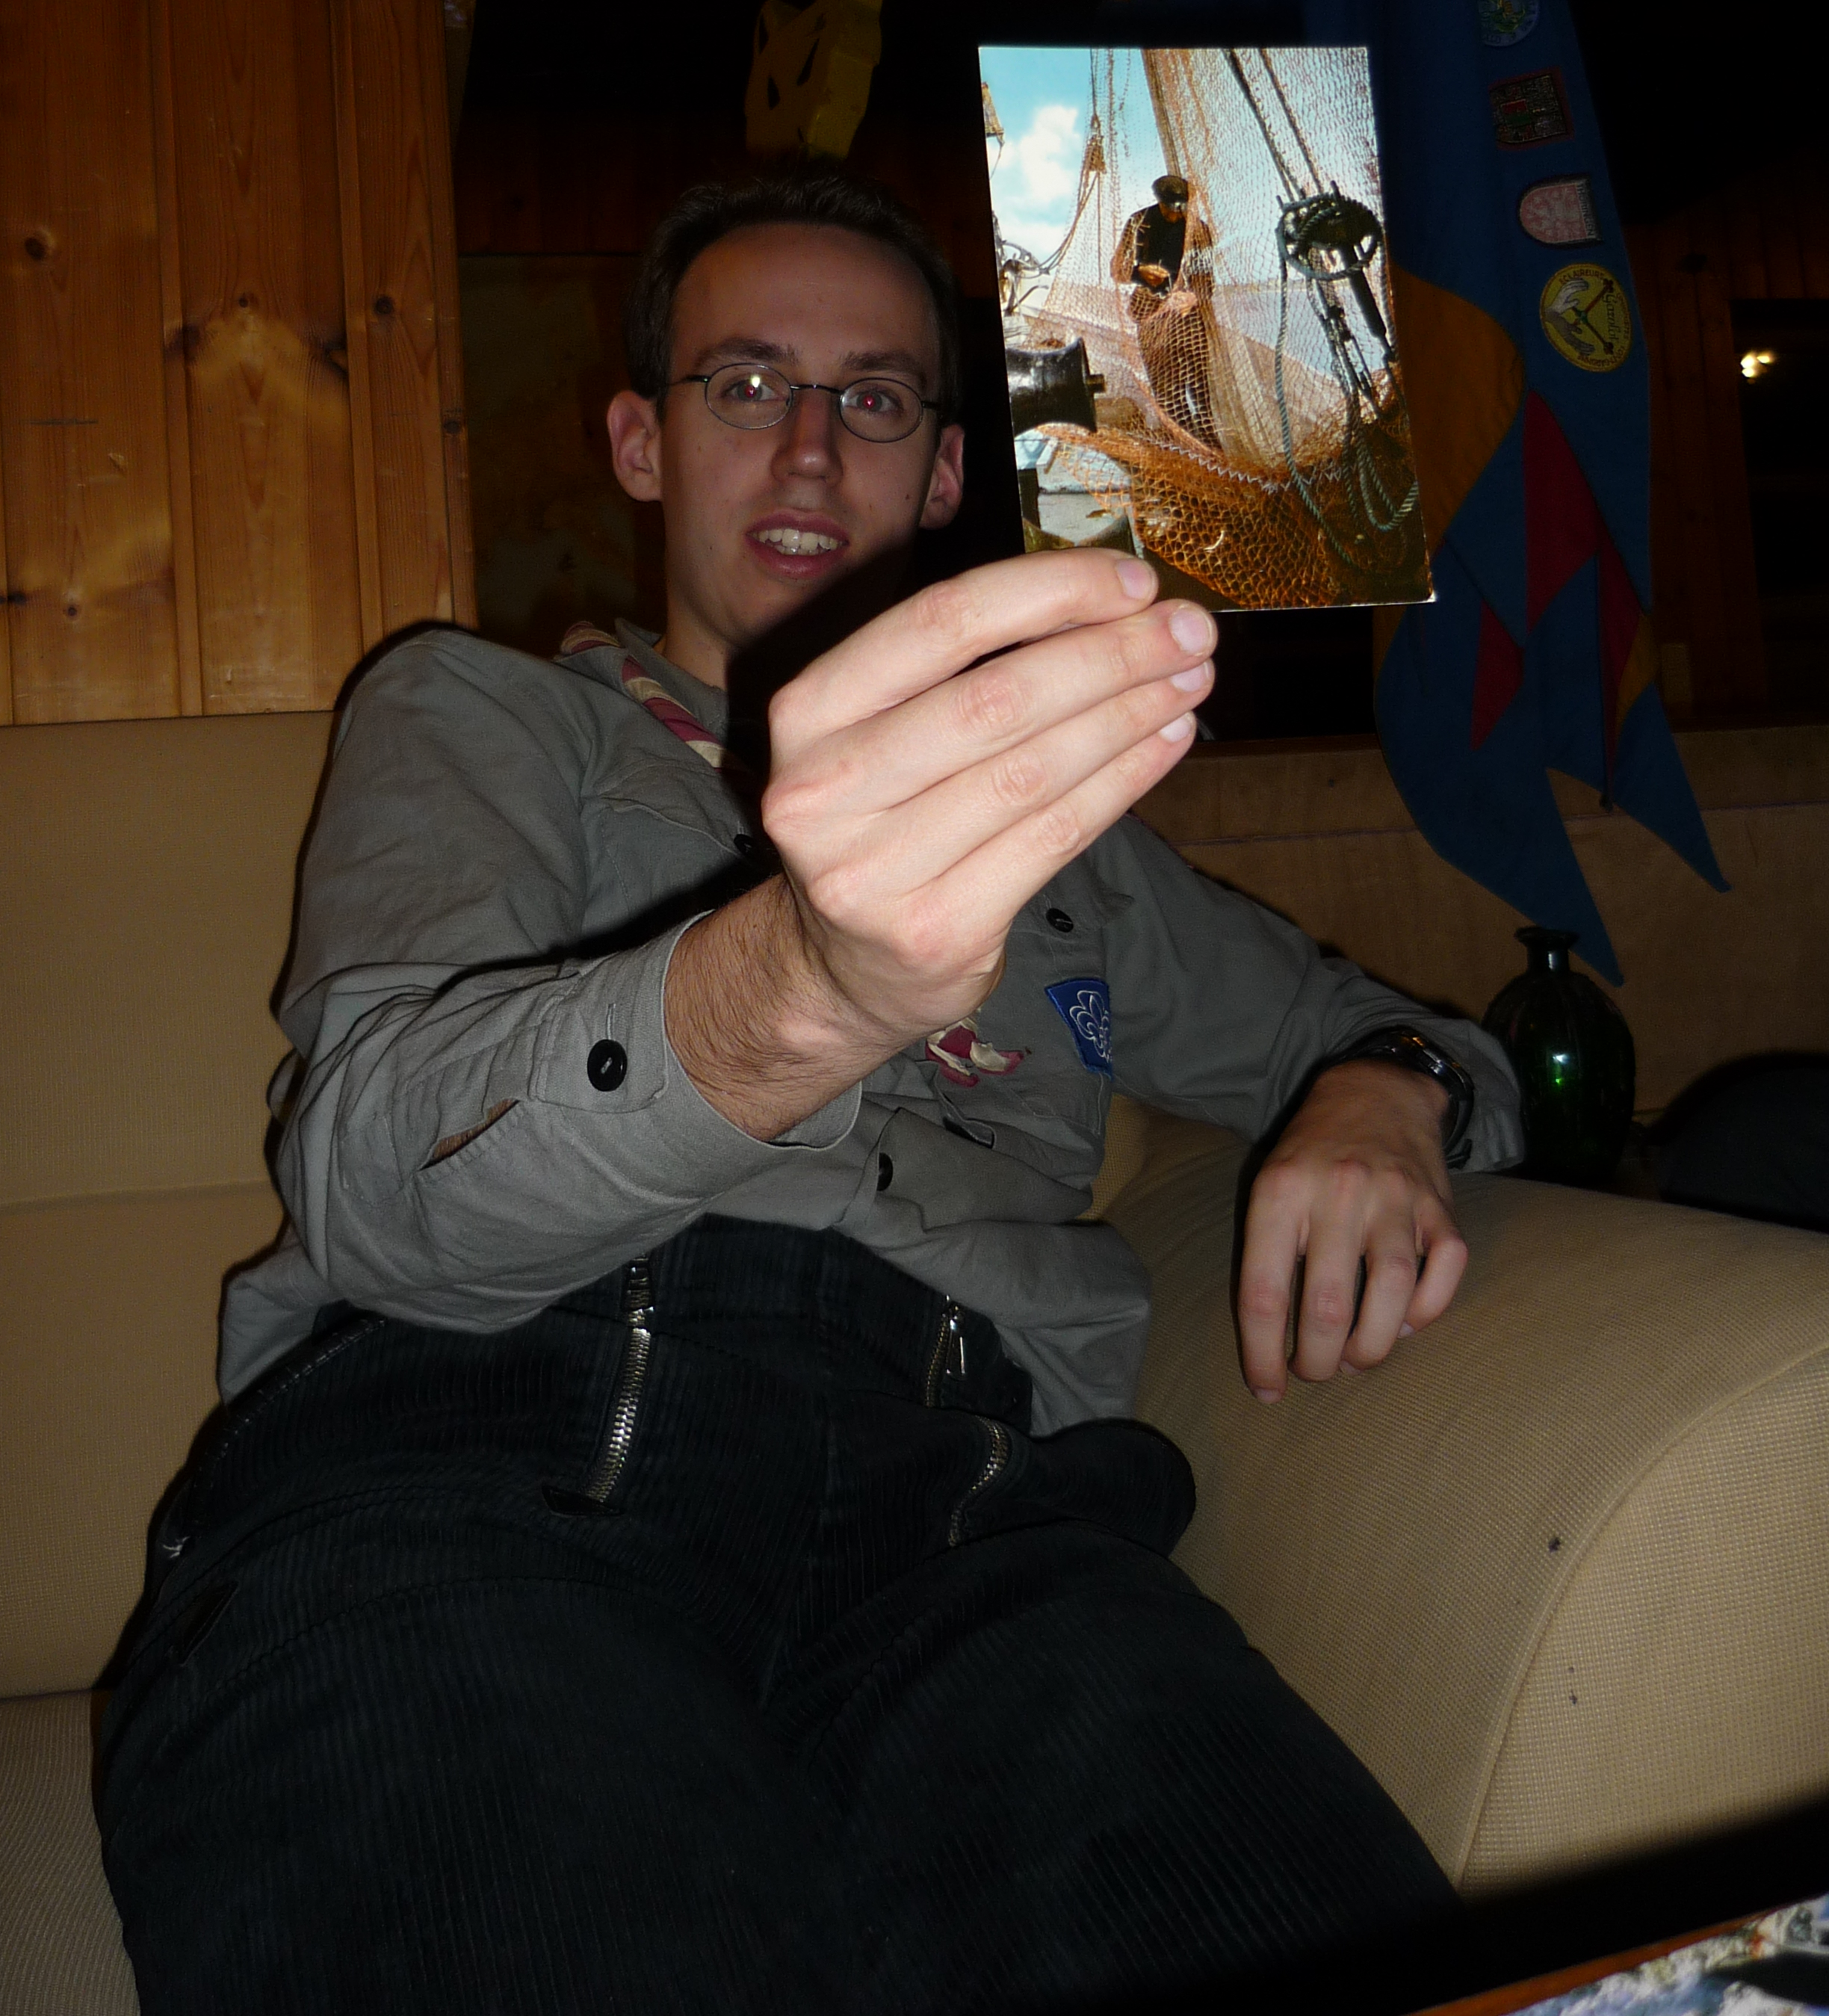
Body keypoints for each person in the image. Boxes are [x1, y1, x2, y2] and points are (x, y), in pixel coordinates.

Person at [99, 168, 1521, 2016]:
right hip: (473, 1467)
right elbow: (381, 1191)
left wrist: (1386, 1092)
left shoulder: (1066, 842)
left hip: (979, 1536)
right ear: (641, 440)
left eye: (874, 399)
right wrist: (806, 986)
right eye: (746, 383)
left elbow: (1407, 1033)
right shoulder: (482, 716)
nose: (807, 450)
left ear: (944, 473)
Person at [1112, 170, 1217, 422]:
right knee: (1166, 387)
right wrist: (1140, 273)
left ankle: (1207, 434)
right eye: (1171, 208)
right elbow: (1117, 270)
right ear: (1159, 202)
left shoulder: (1199, 230)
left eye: (1182, 208)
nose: (1176, 214)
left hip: (1188, 319)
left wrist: (1193, 298)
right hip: (1151, 313)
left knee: (1201, 386)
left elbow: (1206, 280)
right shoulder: (1138, 222)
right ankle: (1178, 433)